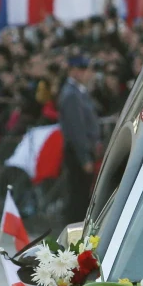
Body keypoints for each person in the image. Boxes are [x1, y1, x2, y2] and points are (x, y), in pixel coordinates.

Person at [58, 55, 101, 223]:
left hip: (82, 151)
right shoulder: (71, 94)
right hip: (77, 152)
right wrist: (84, 158)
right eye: (83, 70)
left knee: (82, 194)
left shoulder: (78, 92)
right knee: (78, 195)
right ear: (73, 71)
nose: (87, 74)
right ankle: (74, 229)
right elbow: (77, 129)